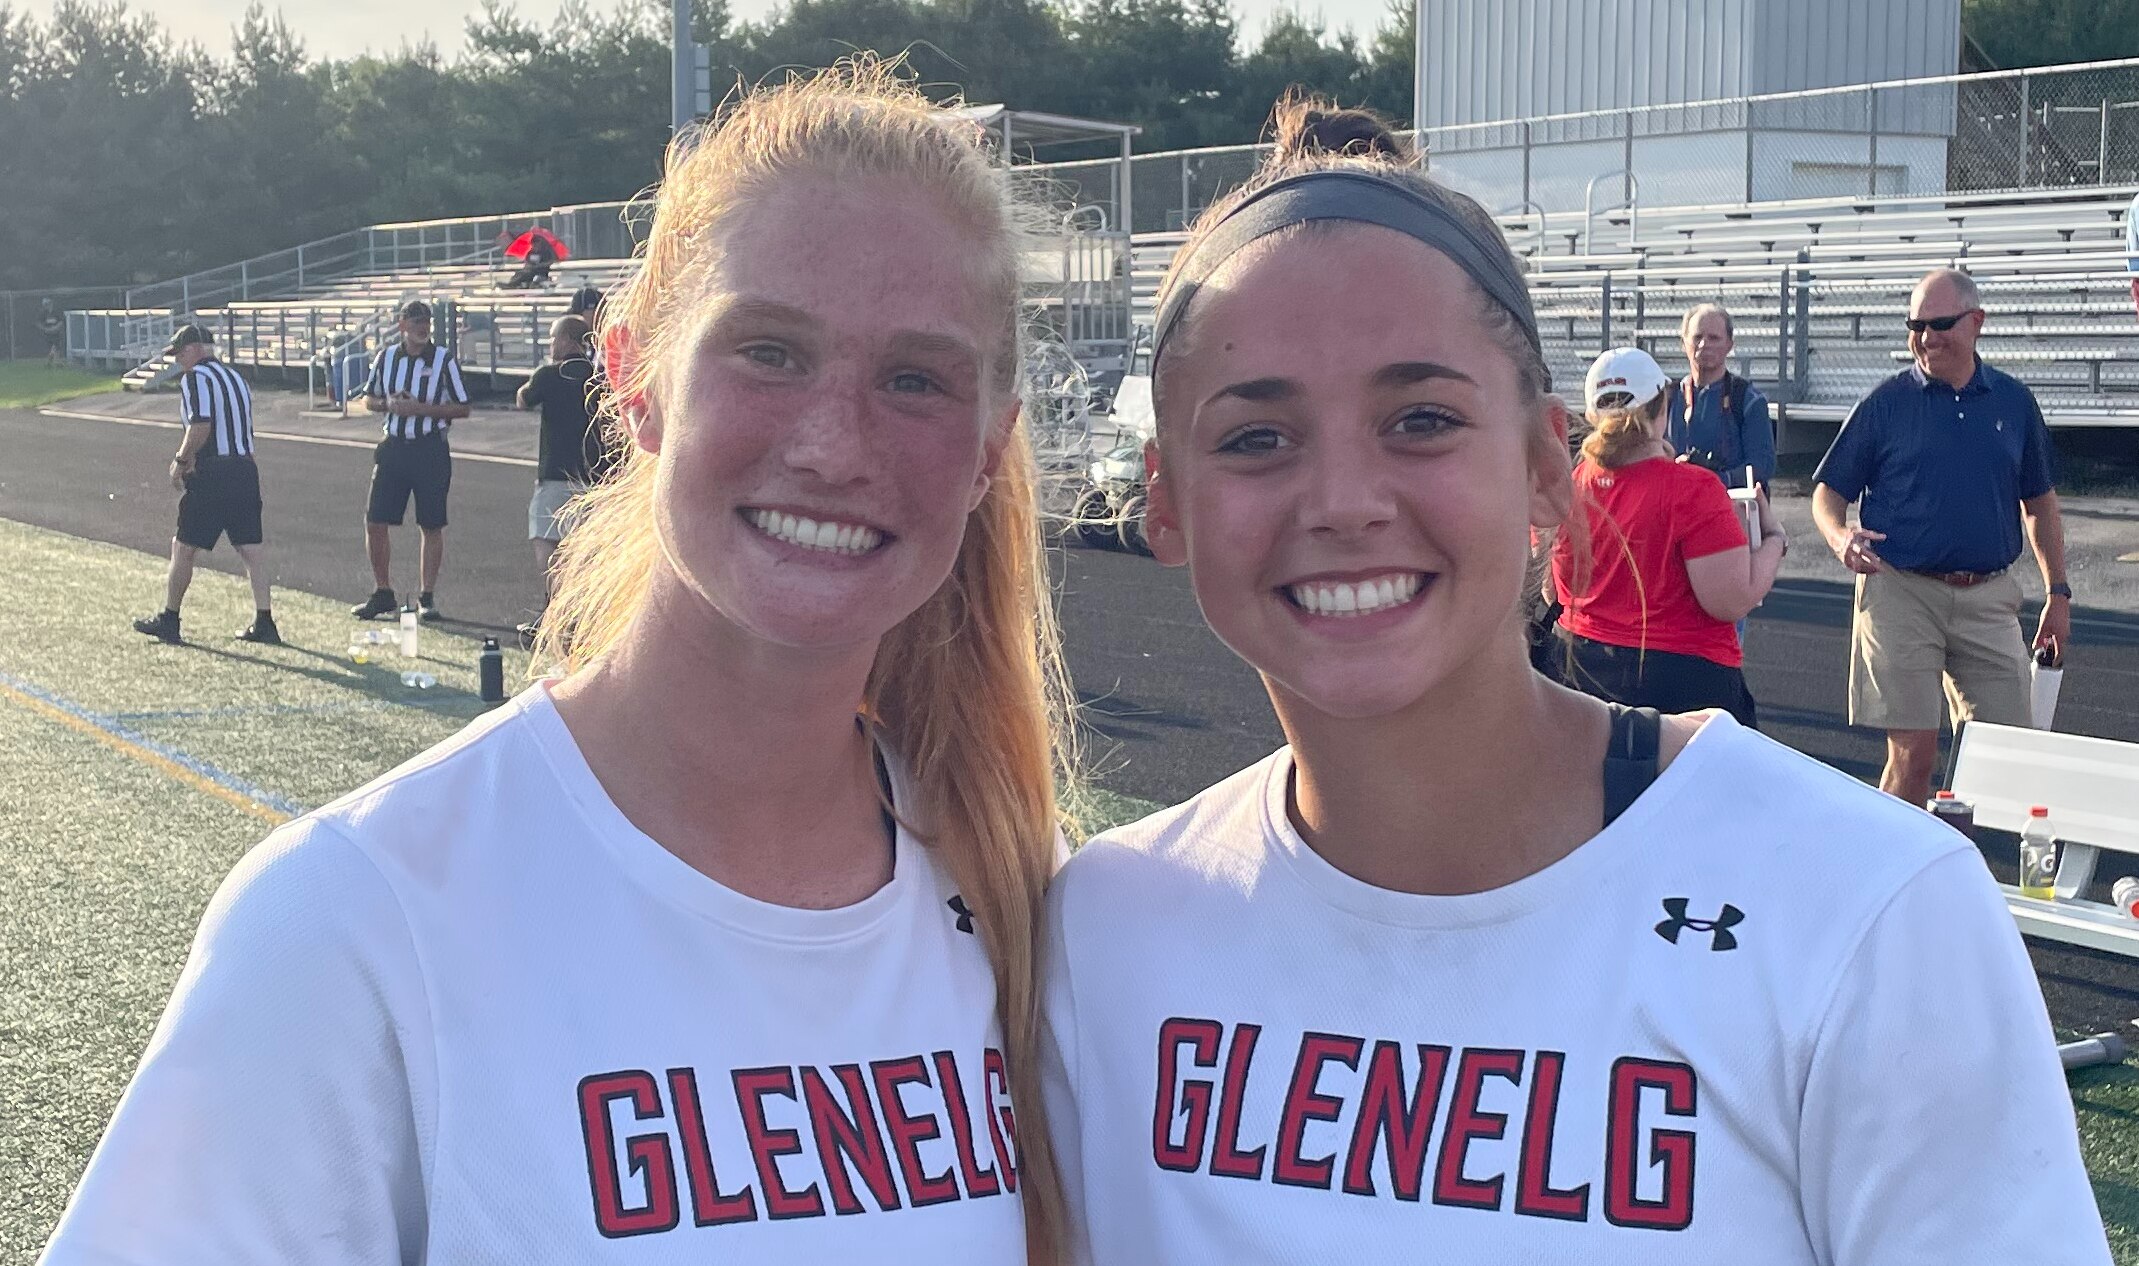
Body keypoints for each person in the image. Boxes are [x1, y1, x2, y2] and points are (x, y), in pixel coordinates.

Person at [1040, 97, 2107, 1265]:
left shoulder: (1866, 912)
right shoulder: (1104, 931)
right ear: (1166, 499)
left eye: (1422, 419)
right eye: (1255, 437)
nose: (1343, 500)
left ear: (1550, 467)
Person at [43, 60, 1069, 1263]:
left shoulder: (1023, 893)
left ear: (991, 448)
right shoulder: (355, 922)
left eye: (915, 379)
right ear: (634, 379)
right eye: (770, 352)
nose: (836, 447)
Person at [1812, 267, 2070, 807]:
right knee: (1914, 754)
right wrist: (1841, 538)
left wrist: (2058, 593)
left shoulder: (2014, 403)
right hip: (1900, 590)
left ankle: (1959, 873)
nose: (1927, 337)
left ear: (1977, 322)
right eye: (1916, 325)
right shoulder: (1886, 403)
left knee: (2005, 754)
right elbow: (1827, 494)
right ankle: (1891, 878)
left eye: (1941, 323)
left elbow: (2040, 505)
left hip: (1988, 598)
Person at [1549, 346, 1784, 726]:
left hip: (1582, 672)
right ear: (1663, 407)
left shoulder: (1569, 486)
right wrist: (1774, 540)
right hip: (1683, 685)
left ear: (1594, 415)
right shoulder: (1693, 490)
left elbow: (1552, 590)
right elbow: (1731, 601)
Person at [130, 325, 279, 646]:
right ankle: (265, 620)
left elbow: (201, 424)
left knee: (183, 548)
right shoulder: (236, 378)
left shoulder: (196, 378)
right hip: (243, 468)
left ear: (196, 349)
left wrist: (181, 461)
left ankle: (170, 619)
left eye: (181, 353)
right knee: (252, 549)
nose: (180, 361)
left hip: (213, 474)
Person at [351, 299, 470, 623]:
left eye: (426, 321)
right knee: (375, 520)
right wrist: (388, 403)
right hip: (395, 446)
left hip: (430, 448)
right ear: (402, 325)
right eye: (416, 321)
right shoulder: (387, 357)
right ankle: (382, 591)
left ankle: (427, 596)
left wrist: (421, 409)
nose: (422, 327)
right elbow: (369, 398)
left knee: (431, 523)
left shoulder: (443, 359)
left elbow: (463, 407)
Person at [514, 313, 608, 649]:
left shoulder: (550, 375)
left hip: (555, 473)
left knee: (546, 542)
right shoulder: (600, 379)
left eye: (555, 339)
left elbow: (523, 399)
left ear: (567, 340)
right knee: (581, 551)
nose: (552, 345)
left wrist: (531, 382)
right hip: (592, 478)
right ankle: (574, 615)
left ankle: (557, 613)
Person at [1664, 302, 1773, 490]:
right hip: (1676, 507)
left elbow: (1762, 466)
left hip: (1729, 509)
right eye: (1697, 337)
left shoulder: (1748, 400)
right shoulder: (1668, 399)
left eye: (1714, 338)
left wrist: (1712, 480)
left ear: (1729, 345)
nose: (1704, 345)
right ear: (1683, 343)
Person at [38, 297, 64, 367]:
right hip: (47, 334)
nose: (46, 306)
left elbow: (61, 322)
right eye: (44, 304)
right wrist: (46, 329)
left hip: (56, 333)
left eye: (47, 304)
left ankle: (55, 362)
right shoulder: (43, 313)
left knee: (56, 347)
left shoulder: (56, 312)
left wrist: (55, 328)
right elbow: (40, 324)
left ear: (51, 303)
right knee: (51, 348)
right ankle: (52, 363)